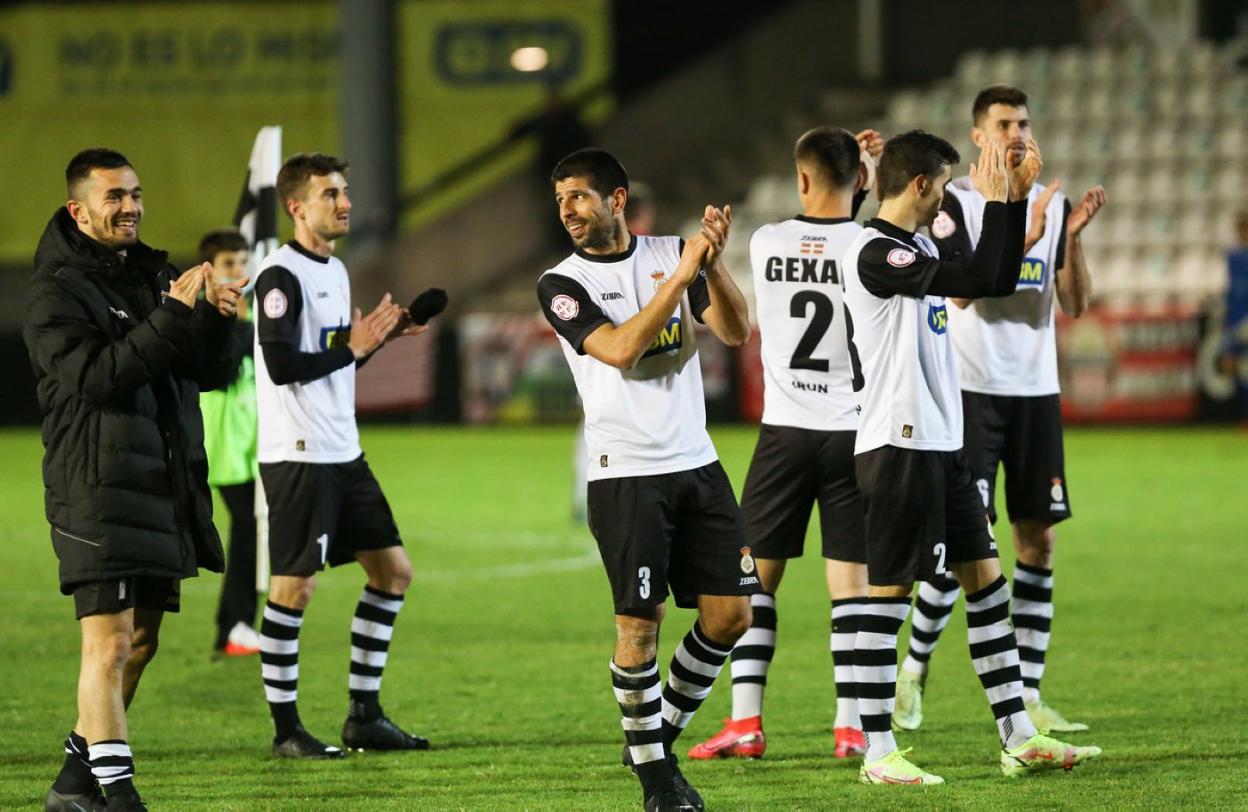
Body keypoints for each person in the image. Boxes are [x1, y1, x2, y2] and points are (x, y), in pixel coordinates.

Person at [841, 130, 1101, 784]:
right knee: (890, 594)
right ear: (920, 185)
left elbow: (996, 275)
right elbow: (982, 275)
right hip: (898, 444)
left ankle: (1019, 736)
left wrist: (1016, 208)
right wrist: (1006, 202)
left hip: (943, 443)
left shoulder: (923, 245)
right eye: (941, 187)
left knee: (986, 584)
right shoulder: (874, 252)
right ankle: (877, 752)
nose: (945, 200)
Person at [26, 148, 245, 812]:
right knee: (110, 643)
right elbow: (98, 379)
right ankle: (119, 796)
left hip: (159, 484)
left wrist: (218, 321)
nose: (130, 207)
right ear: (79, 210)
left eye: (136, 194)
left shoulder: (154, 274)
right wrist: (172, 315)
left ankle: (73, 785)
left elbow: (205, 373)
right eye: (115, 197)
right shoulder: (54, 291)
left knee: (141, 643)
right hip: (96, 488)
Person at [536, 148, 753, 812]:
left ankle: (652, 738)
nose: (567, 210)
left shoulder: (673, 253)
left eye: (578, 196)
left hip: (696, 460)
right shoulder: (561, 282)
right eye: (561, 200)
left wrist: (711, 266)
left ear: (617, 199)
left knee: (731, 616)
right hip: (626, 472)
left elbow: (736, 331)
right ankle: (659, 782)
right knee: (640, 625)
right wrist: (680, 276)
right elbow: (622, 349)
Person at [894, 85, 1108, 736]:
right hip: (974, 390)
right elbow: (963, 296)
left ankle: (1030, 692)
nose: (1017, 134)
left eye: (1023, 122)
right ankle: (913, 669)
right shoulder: (956, 203)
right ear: (979, 135)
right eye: (1004, 124)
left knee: (1038, 540)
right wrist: (1024, 231)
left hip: (1036, 390)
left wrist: (1067, 240)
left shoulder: (1052, 202)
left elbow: (1075, 303)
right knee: (972, 538)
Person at [688, 127, 883, 763]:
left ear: (801, 178)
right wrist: (866, 180)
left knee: (754, 584)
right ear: (858, 180)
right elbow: (856, 233)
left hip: (785, 435)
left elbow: (818, 230)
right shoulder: (870, 245)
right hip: (853, 431)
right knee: (850, 587)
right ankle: (851, 727)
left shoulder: (767, 240)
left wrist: (854, 178)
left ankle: (746, 722)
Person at [252, 153, 430, 759]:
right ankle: (286, 732)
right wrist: (352, 349)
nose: (345, 202)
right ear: (296, 207)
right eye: (330, 194)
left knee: (393, 572)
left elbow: (335, 363)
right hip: (299, 456)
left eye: (345, 191)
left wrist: (374, 341)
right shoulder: (280, 276)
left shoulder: (337, 269)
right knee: (293, 589)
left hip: (343, 452)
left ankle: (364, 717)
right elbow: (281, 366)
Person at [198, 228, 264, 657]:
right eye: (228, 263)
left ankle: (238, 625)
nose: (238, 271)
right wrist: (239, 322)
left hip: (250, 443)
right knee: (248, 530)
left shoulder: (252, 317)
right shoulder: (208, 315)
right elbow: (222, 372)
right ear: (210, 269)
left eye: (243, 262)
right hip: (222, 445)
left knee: (255, 530)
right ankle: (233, 626)